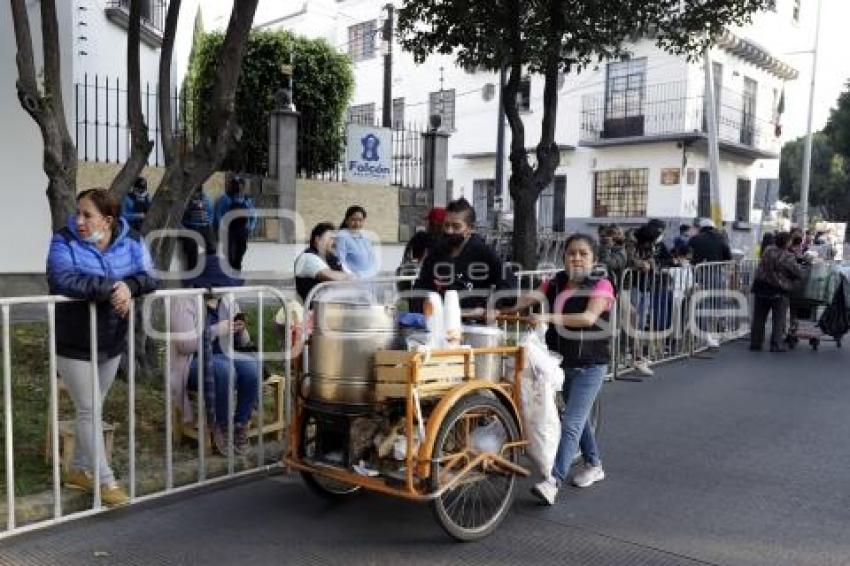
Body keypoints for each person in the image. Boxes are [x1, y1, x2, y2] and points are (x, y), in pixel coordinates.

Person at [47, 188, 159, 506]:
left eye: (87, 215)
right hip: (74, 341)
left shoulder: (132, 240)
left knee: (94, 408)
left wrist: (130, 285)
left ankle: (80, 469)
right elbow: (61, 279)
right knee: (88, 408)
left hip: (111, 340)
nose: (79, 220)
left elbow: (151, 276)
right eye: (78, 213)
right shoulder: (64, 239)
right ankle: (106, 480)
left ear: (107, 220)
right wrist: (112, 287)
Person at [508, 234, 614, 505]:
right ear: (563, 257)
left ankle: (552, 482)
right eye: (571, 253)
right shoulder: (554, 282)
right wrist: (504, 310)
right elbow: (530, 298)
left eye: (583, 253)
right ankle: (594, 464)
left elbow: (588, 318)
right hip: (562, 364)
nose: (576, 258)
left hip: (592, 365)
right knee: (577, 419)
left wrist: (547, 316)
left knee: (572, 422)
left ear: (594, 260)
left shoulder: (602, 285)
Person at [170, 252, 262, 457]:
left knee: (251, 368)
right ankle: (220, 427)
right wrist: (214, 331)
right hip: (192, 363)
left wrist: (241, 329)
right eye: (221, 283)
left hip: (225, 356)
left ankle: (240, 425)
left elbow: (245, 342)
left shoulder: (227, 299)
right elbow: (184, 345)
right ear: (207, 284)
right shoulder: (183, 301)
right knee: (222, 368)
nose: (226, 288)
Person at [413, 197, 507, 312]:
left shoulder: (484, 253)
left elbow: (507, 285)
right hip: (438, 321)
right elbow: (421, 287)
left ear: (470, 228)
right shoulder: (436, 252)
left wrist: (488, 307)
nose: (449, 231)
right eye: (446, 225)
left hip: (474, 324)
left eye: (456, 226)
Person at [750, 232, 803, 352]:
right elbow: (797, 273)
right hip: (778, 290)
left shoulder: (768, 250)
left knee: (759, 317)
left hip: (761, 287)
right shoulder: (788, 257)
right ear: (787, 242)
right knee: (778, 318)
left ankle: (756, 343)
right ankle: (776, 344)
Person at [295, 222, 351, 302]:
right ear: (318, 240)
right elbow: (334, 277)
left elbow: (350, 275)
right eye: (331, 238)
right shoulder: (307, 258)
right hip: (316, 311)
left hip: (334, 308)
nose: (335, 242)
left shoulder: (333, 258)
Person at [215, 177, 257, 272]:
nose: (238, 187)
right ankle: (230, 271)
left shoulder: (246, 200)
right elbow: (219, 214)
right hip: (229, 229)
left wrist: (251, 227)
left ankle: (237, 269)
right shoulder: (225, 198)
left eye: (240, 185)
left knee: (241, 250)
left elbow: (253, 215)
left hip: (242, 229)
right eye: (236, 185)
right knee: (229, 252)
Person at [336, 205, 378, 278]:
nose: (357, 223)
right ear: (346, 220)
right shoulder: (342, 236)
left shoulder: (365, 237)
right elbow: (340, 261)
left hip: (369, 280)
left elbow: (372, 259)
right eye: (353, 220)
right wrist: (352, 276)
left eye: (360, 220)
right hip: (353, 281)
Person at [182, 186, 215, 272]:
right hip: (192, 229)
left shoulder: (207, 200)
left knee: (209, 254)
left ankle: (207, 278)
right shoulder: (185, 200)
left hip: (205, 229)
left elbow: (211, 215)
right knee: (194, 258)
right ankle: (195, 281)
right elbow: (180, 218)